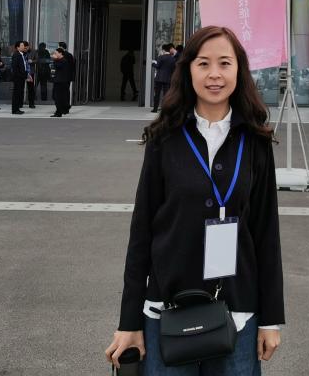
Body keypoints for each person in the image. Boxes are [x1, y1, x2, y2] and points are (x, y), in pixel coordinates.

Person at [105, 25, 284, 373]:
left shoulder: (256, 140)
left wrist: (271, 319)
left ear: (239, 71)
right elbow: (141, 233)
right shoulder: (164, 138)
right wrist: (129, 322)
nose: (214, 74)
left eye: (224, 63)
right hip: (166, 312)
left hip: (238, 313)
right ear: (188, 70)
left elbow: (266, 234)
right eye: (203, 63)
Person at [151, 43, 175, 113]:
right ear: (169, 50)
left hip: (159, 78)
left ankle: (155, 109)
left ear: (164, 50)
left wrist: (153, 63)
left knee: (157, 94)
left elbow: (157, 66)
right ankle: (165, 109)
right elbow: (173, 69)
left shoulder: (161, 57)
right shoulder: (172, 58)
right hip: (168, 79)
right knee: (166, 94)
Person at [10, 40, 32, 115]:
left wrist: (26, 75)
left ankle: (17, 108)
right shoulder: (16, 55)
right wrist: (20, 75)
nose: (23, 47)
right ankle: (15, 109)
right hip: (18, 77)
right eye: (22, 45)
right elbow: (15, 67)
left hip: (22, 77)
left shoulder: (21, 54)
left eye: (23, 45)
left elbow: (24, 67)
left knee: (19, 93)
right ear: (18, 47)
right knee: (16, 93)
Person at [51, 47, 72, 117]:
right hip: (58, 81)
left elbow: (58, 66)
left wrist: (54, 59)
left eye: (56, 53)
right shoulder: (60, 60)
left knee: (59, 97)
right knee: (58, 97)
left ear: (60, 53)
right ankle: (62, 109)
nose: (55, 55)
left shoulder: (63, 61)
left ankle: (60, 111)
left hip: (61, 82)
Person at [23, 41, 37, 108]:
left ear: (28, 46)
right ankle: (20, 103)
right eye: (24, 48)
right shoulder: (21, 52)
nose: (25, 49)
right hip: (22, 72)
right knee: (21, 87)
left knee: (31, 88)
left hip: (30, 72)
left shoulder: (33, 51)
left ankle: (31, 103)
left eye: (26, 48)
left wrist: (32, 61)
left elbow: (37, 60)